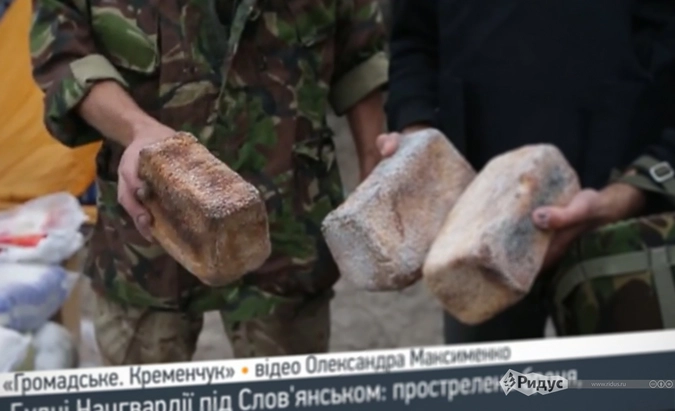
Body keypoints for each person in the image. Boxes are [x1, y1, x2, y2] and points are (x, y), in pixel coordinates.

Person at [31, 0, 388, 364]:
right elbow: (63, 50)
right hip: (151, 225)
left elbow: (360, 52)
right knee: (143, 390)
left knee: (284, 388)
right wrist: (136, 128)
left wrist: (374, 167)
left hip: (287, 221)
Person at [379, 0, 675, 343]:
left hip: (628, 228)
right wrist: (418, 132)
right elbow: (415, 41)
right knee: (500, 375)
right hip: (479, 229)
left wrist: (634, 190)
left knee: (627, 376)